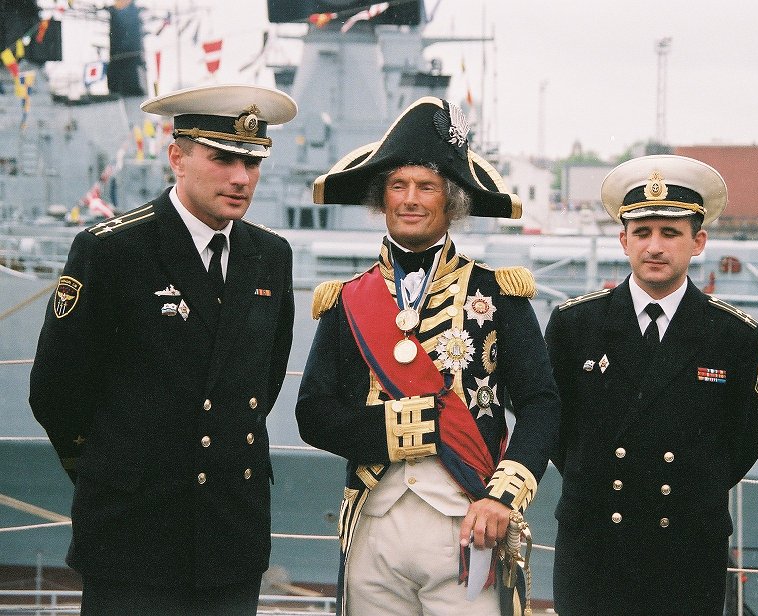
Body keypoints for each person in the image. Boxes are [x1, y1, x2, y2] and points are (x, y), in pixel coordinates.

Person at [29, 84, 297, 615]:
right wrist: (119, 472)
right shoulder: (112, 251)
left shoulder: (269, 256)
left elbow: (260, 385)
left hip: (231, 537)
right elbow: (55, 393)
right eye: (222, 158)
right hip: (132, 540)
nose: (241, 178)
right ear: (177, 156)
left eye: (252, 161)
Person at [296, 96, 560, 616]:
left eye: (426, 187)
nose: (411, 199)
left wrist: (502, 499)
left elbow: (541, 404)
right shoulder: (348, 300)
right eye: (399, 186)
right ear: (383, 198)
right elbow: (313, 414)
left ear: (451, 200)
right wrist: (400, 429)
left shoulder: (498, 293)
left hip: (468, 521)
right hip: (374, 526)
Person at [545, 155, 758, 615]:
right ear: (623, 239)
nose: (655, 247)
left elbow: (746, 437)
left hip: (686, 546)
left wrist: (692, 490)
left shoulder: (735, 337)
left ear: (698, 242)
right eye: (643, 232)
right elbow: (555, 427)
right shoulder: (574, 326)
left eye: (671, 233)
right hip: (595, 542)